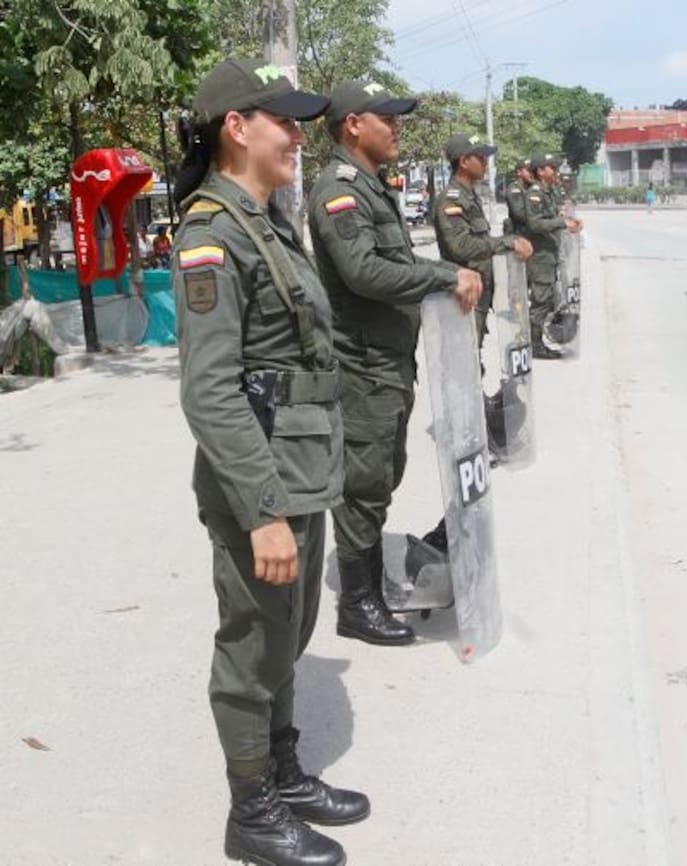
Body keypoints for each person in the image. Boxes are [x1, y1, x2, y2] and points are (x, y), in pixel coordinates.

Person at [171, 58, 361, 866]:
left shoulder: (267, 220)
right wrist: (263, 511)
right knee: (254, 640)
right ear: (235, 127)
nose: (296, 133)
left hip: (300, 468)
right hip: (261, 483)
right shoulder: (211, 234)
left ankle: (281, 771)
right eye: (281, 119)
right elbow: (209, 393)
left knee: (291, 629)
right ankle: (250, 812)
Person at [307, 80, 481, 645]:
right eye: (387, 117)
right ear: (354, 124)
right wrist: (445, 275)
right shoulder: (338, 188)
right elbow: (365, 273)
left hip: (386, 362)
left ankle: (369, 581)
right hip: (361, 366)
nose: (397, 126)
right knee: (363, 482)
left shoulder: (372, 186)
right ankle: (357, 604)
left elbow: (395, 262)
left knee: (382, 475)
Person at [433, 133, 533, 348]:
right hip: (462, 296)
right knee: (462, 361)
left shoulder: (469, 196)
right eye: (480, 157)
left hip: (479, 293)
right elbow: (461, 247)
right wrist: (507, 243)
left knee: (472, 357)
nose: (486, 163)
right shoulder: (451, 199)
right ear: (463, 162)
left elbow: (480, 241)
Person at [522, 153, 582, 358]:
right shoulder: (535, 193)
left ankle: (536, 342)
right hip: (540, 256)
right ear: (540, 171)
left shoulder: (547, 193)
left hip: (549, 254)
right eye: (551, 168)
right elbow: (535, 223)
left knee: (546, 298)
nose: (555, 172)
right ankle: (535, 345)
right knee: (540, 300)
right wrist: (561, 222)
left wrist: (564, 219)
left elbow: (550, 218)